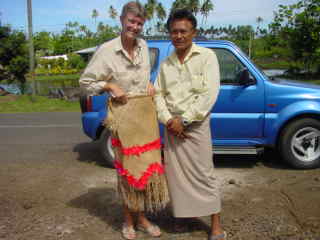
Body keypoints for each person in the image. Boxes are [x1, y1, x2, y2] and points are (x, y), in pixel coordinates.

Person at [79, 2, 168, 239]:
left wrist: (149, 85)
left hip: (144, 121)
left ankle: (141, 217)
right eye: (131, 21)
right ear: (121, 20)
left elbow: (143, 79)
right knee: (128, 173)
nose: (135, 27)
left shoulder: (144, 46)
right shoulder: (107, 50)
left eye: (139, 23)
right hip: (122, 121)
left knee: (146, 170)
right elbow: (85, 83)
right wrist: (109, 85)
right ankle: (129, 220)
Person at [154, 9, 226, 240]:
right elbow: (157, 95)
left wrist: (184, 120)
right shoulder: (166, 65)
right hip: (172, 128)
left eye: (183, 31)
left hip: (196, 125)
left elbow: (210, 93)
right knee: (177, 178)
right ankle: (182, 217)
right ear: (170, 34)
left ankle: (215, 223)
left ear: (193, 32)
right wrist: (168, 120)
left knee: (205, 174)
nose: (179, 35)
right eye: (174, 31)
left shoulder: (207, 57)